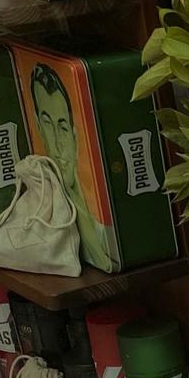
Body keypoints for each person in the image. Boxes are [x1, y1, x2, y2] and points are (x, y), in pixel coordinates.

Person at [29, 63, 116, 270]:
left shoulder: (108, 230)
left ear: (75, 136)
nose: (58, 144)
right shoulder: (41, 221)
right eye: (48, 124)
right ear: (38, 128)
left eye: (63, 127)